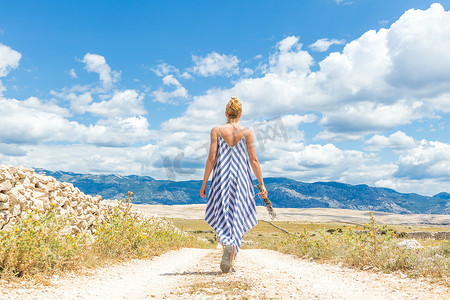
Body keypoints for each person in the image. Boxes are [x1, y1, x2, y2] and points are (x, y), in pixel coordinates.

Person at [200, 96, 268, 273]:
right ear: (240, 114)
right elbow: (254, 160)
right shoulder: (247, 133)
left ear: (226, 113)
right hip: (241, 180)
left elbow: (212, 158)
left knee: (223, 215)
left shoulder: (216, 130)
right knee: (237, 214)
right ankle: (230, 258)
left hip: (221, 179)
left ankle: (227, 245)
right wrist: (261, 185)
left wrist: (204, 182)